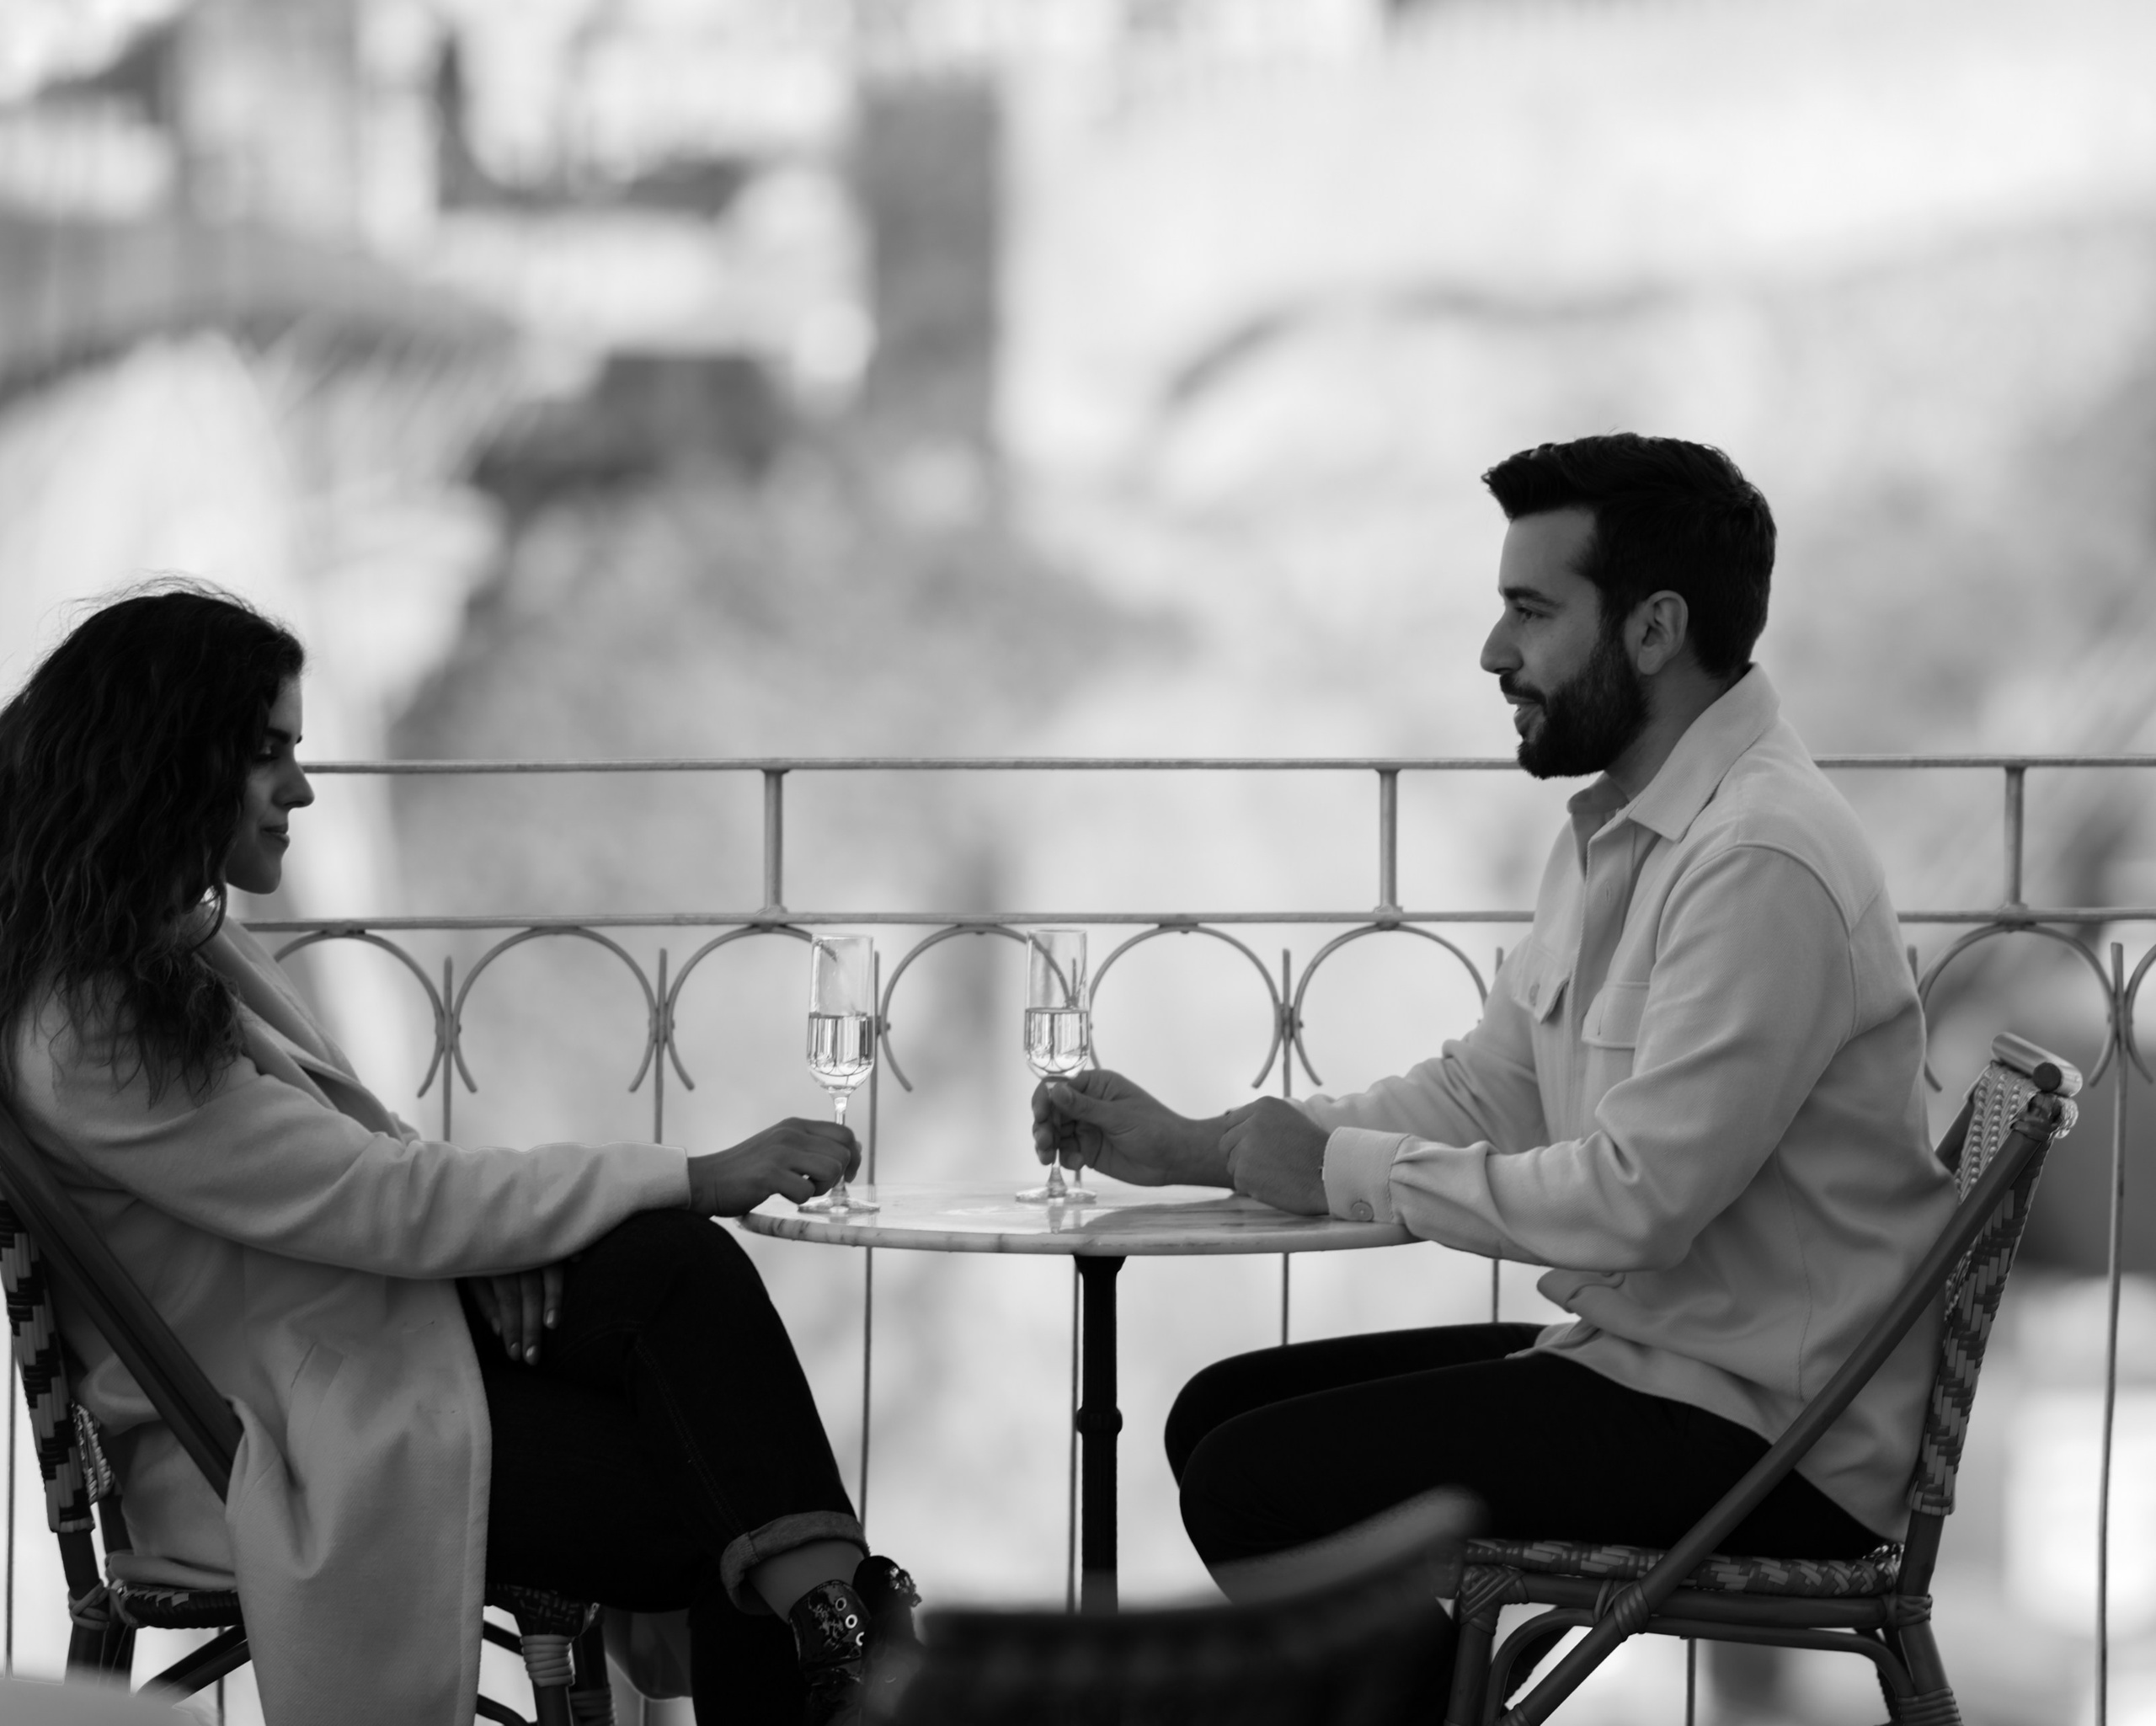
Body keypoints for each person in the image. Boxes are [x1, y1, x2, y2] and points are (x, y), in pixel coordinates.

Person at [1034, 435, 1955, 1609]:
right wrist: (1209, 1143)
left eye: (1531, 610)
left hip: (1776, 1434)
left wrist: (1340, 1167)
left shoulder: (1761, 855)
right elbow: (1492, 1090)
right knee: (1219, 1415)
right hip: (1665, 1366)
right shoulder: (1627, 823)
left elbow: (1639, 1199)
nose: (1495, 651)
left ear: (1653, 629)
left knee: (1252, 1478)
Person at [0, 585, 913, 1726]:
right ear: (169, 759)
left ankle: (840, 1637)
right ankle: (850, 1639)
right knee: (713, 1488)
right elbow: (366, 1192)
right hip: (278, 1434)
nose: (302, 787)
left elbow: (360, 1165)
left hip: (364, 1345)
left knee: (671, 1265)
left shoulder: (163, 947)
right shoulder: (90, 1026)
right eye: (269, 751)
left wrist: (498, 1246)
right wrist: (694, 1169)